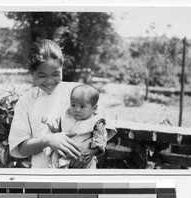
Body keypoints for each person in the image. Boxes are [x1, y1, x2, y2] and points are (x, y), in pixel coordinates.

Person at [8, 39, 116, 168]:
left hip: (82, 173)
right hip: (43, 176)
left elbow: (103, 125)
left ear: (62, 68)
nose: (49, 81)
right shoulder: (27, 100)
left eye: (55, 74)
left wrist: (86, 150)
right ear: (31, 73)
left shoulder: (78, 92)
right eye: (41, 75)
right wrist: (47, 140)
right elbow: (20, 148)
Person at [42, 84, 109, 169]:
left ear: (94, 108)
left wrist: (93, 151)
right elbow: (57, 129)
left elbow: (100, 138)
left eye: (82, 106)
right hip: (64, 154)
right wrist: (48, 123)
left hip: (84, 157)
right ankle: (56, 168)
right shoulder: (66, 116)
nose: (76, 109)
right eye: (73, 105)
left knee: (88, 169)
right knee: (55, 155)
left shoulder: (96, 121)